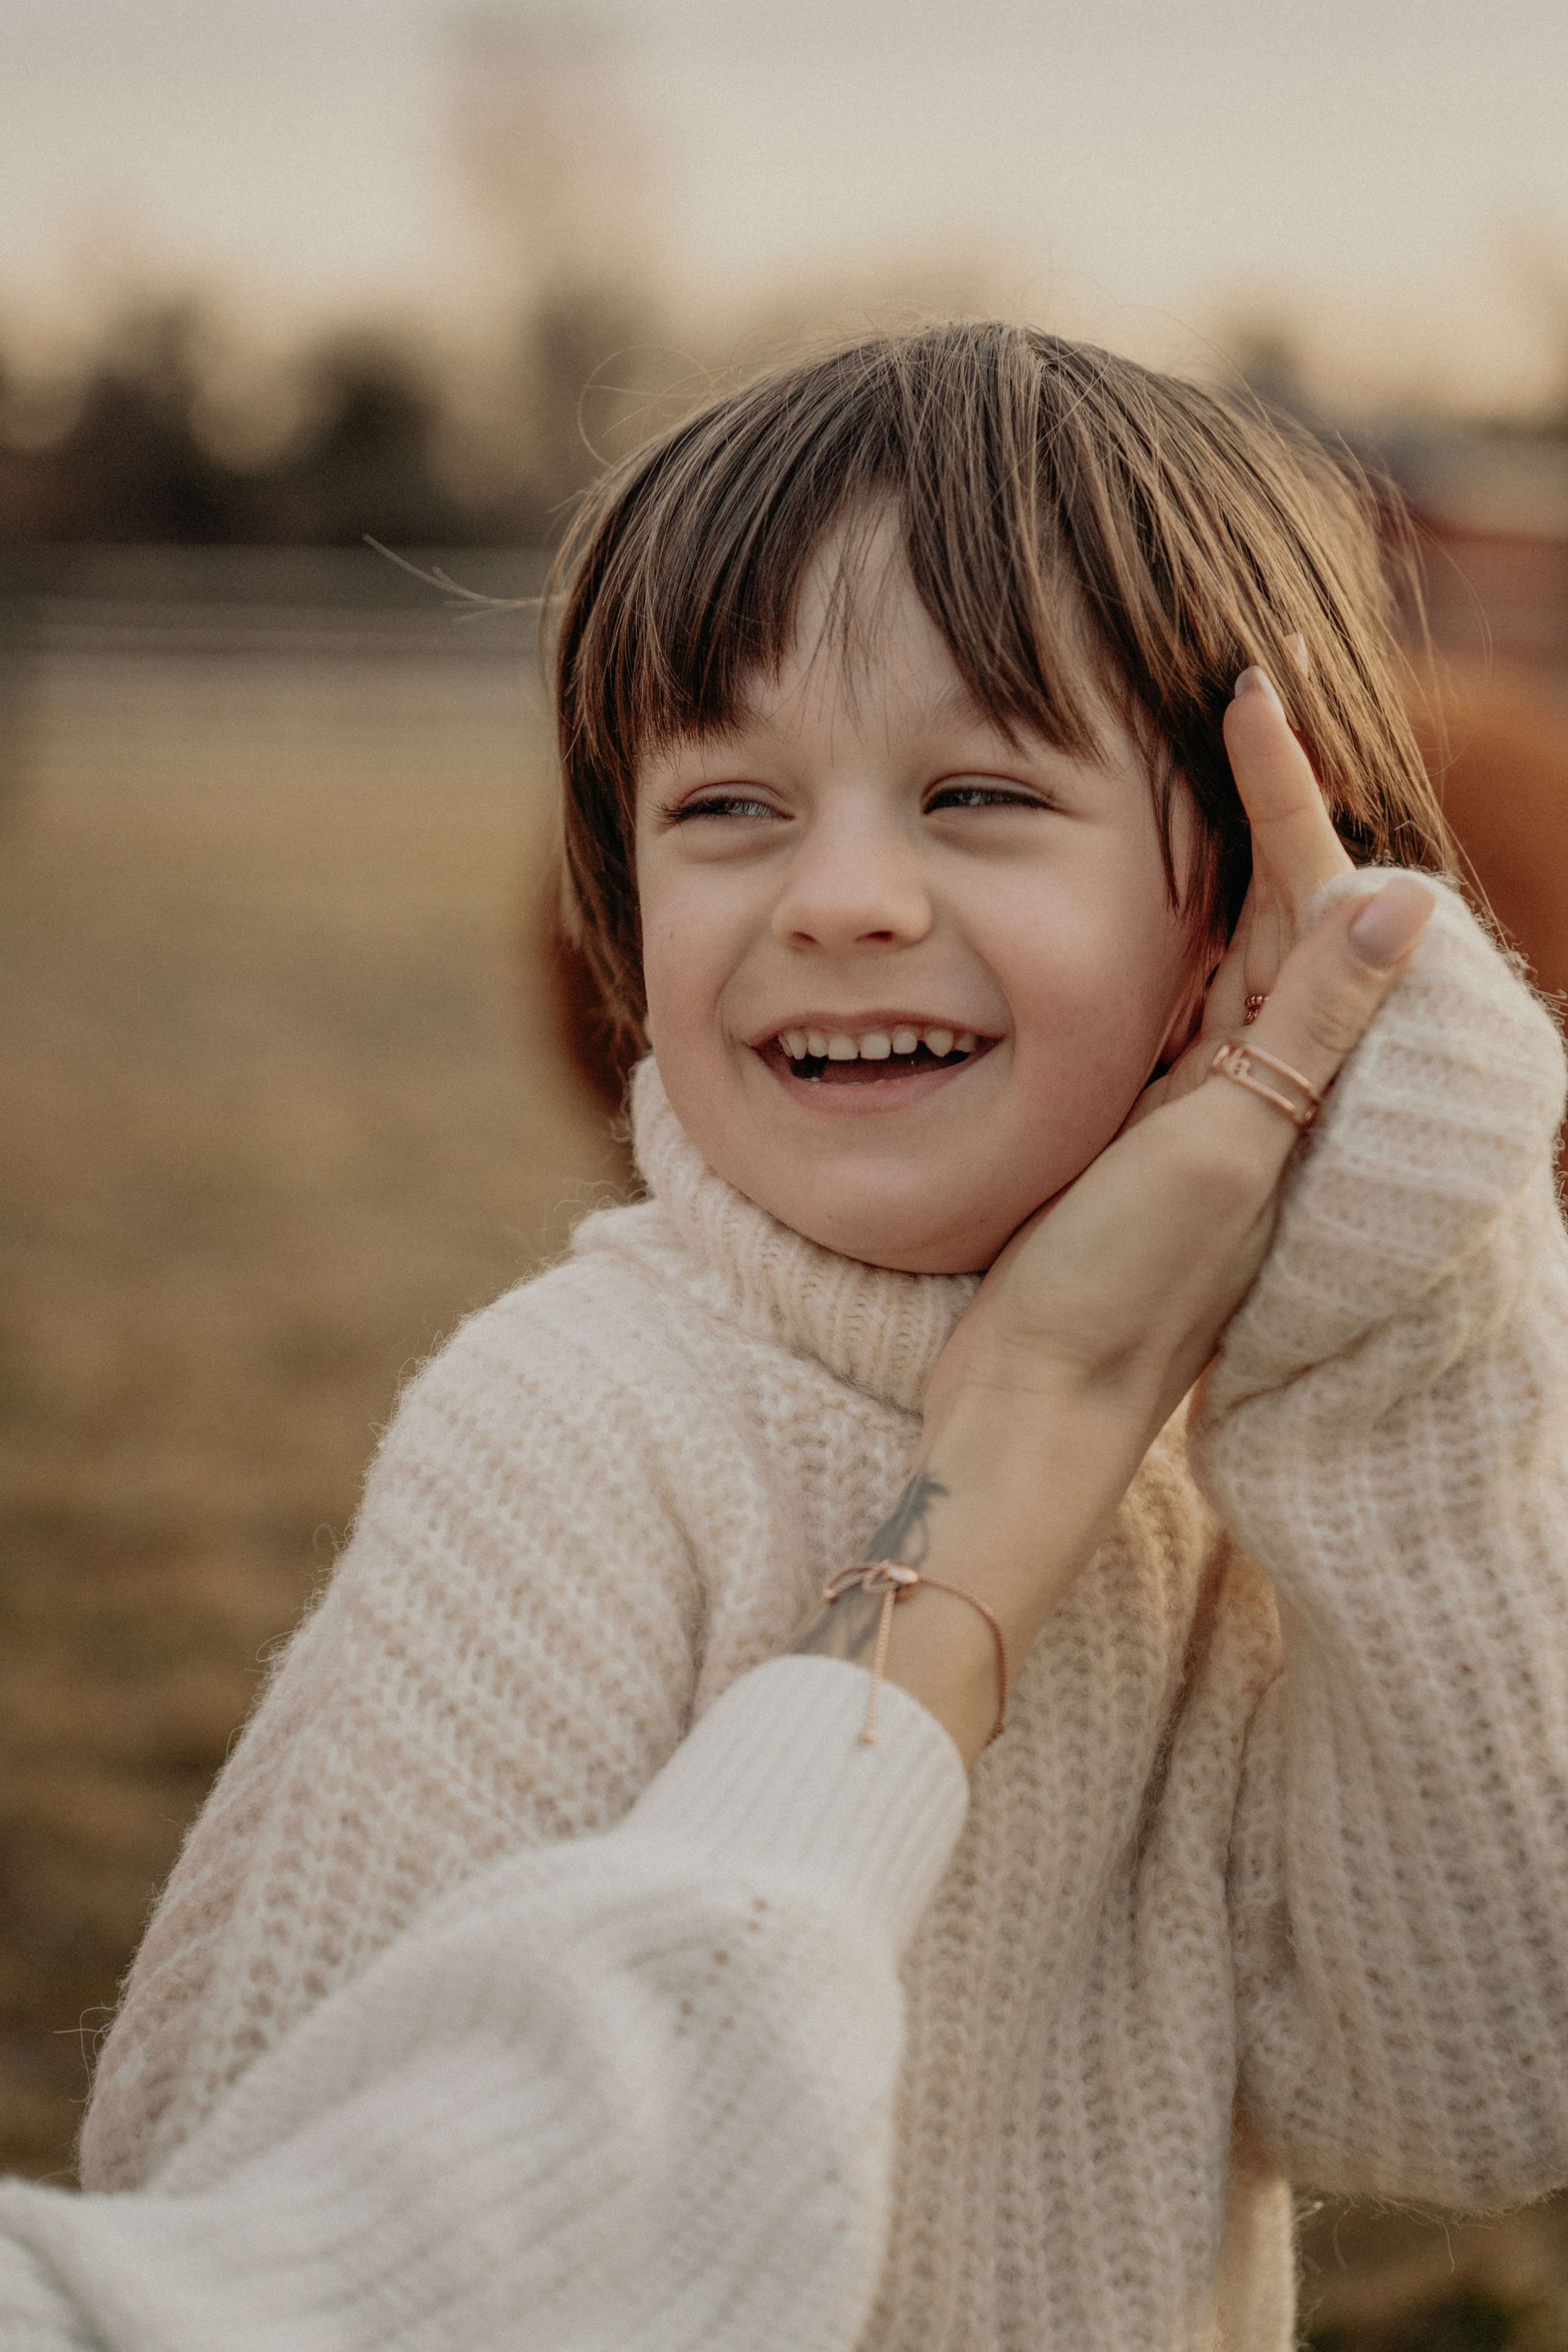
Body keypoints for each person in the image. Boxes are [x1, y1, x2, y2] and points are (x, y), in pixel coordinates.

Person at [79, 323, 1568, 2351]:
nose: (841, 895)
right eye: (726, 807)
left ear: (1244, 914)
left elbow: (1468, 2090)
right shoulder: (582, 1432)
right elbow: (249, 2203)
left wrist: (1412, 1294)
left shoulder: (1228, 1469)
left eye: (974, 792)